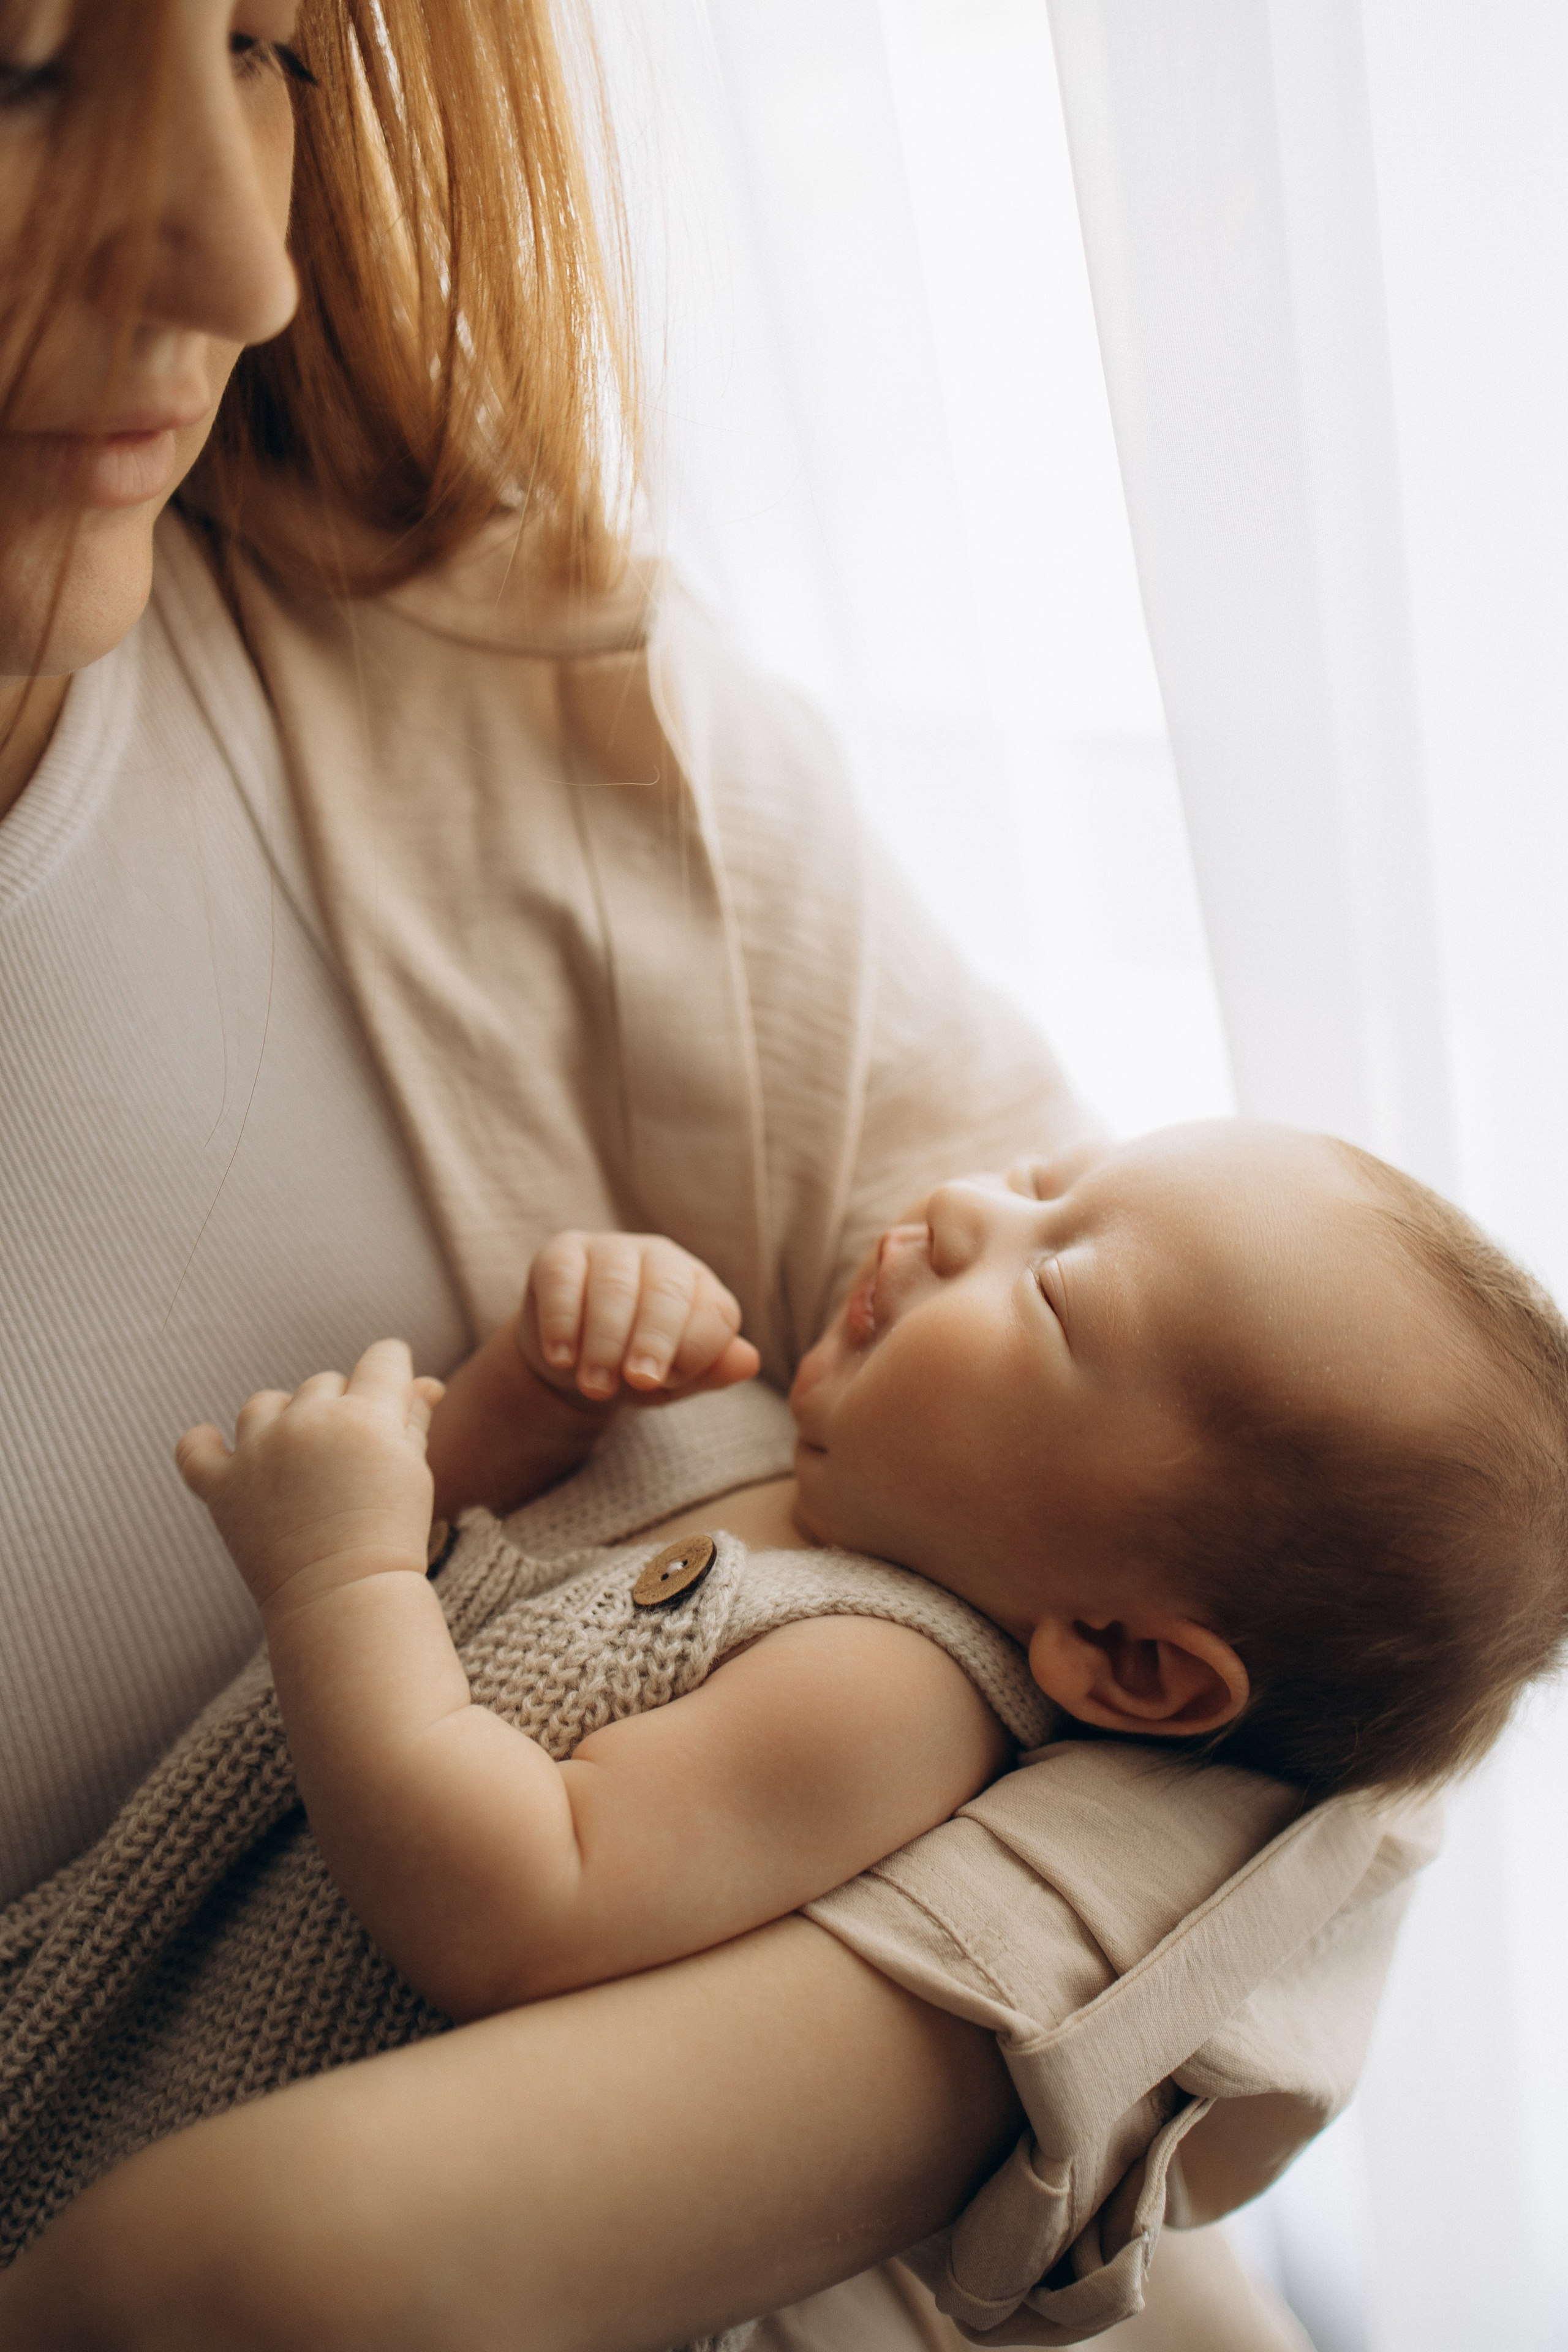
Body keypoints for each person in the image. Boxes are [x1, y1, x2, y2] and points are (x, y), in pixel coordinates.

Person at [0, 4, 1439, 2346]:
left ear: (1120, 1659)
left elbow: (513, 1876)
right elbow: (509, 1580)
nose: (246, 260)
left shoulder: (894, 1678)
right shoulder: (839, 1467)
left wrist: (351, 1564)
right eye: (19, 64)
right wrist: (517, 1412)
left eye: (270, 42)